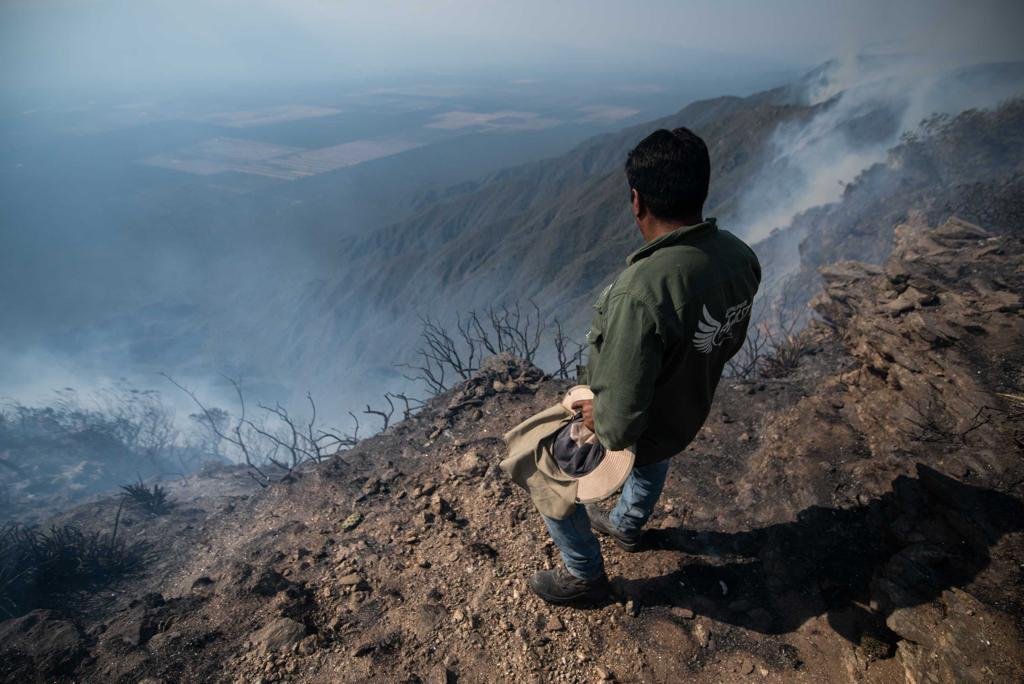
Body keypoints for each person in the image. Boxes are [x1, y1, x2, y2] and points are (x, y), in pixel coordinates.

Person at [528, 127, 762, 603]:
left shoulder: (641, 293)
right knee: (654, 461)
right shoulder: (740, 257)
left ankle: (585, 576)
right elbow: (728, 341)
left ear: (637, 201)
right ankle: (628, 525)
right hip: (685, 412)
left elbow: (618, 427)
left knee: (542, 473)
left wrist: (598, 411)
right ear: (702, 190)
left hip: (643, 424)